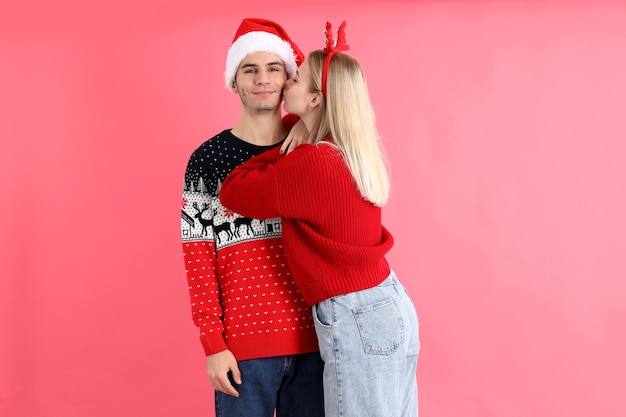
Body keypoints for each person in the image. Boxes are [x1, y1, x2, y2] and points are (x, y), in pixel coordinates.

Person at [219, 21, 420, 417]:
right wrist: (302, 130)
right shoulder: (345, 150)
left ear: (314, 101)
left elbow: (234, 191)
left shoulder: (310, 162)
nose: (286, 81)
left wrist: (285, 148)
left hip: (356, 316)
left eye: (298, 79)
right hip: (388, 303)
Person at [180, 18, 324, 417]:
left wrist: (306, 130)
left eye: (273, 68)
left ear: (289, 80)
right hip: (244, 350)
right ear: (234, 80)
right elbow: (198, 257)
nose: (263, 79)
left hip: (320, 340)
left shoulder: (313, 150)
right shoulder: (206, 160)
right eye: (250, 69)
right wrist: (213, 344)